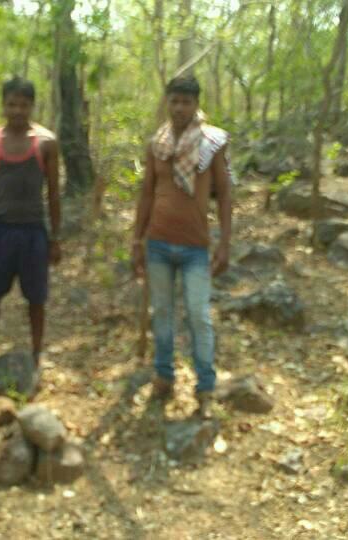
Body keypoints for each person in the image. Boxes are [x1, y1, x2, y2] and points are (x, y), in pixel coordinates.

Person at [130, 75, 233, 419]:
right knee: (162, 312)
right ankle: (163, 376)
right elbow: (147, 193)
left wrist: (225, 243)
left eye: (186, 102)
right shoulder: (157, 144)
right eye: (174, 101)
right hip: (158, 242)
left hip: (195, 247)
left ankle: (206, 386)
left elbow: (225, 193)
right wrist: (137, 240)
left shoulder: (211, 143)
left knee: (199, 316)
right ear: (167, 103)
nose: (179, 108)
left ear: (196, 104)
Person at [0, 76, 61, 378]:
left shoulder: (46, 143)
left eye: (23, 105)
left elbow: (53, 193)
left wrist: (55, 237)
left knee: (36, 298)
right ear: (3, 106)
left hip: (33, 230)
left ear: (32, 106)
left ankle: (37, 352)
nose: (17, 111)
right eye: (12, 105)